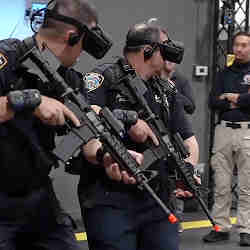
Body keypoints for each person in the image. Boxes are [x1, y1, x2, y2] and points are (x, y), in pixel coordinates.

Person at [0, 0, 144, 249]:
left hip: (37, 194)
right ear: (72, 36)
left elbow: (85, 134)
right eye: (84, 45)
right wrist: (27, 101)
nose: (81, 54)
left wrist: (106, 156)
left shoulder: (67, 80)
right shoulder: (7, 58)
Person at [78, 20, 199, 250]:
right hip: (111, 199)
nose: (170, 52)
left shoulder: (166, 89)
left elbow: (188, 138)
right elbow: (87, 125)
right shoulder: (103, 79)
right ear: (147, 51)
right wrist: (126, 121)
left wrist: (187, 170)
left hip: (158, 201)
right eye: (165, 47)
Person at [202, 31, 250, 246]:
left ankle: (246, 229)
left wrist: (235, 98)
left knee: (246, 186)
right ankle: (220, 227)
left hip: (246, 131)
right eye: (236, 45)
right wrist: (240, 101)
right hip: (223, 131)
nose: (239, 49)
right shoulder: (224, 74)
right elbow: (213, 102)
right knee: (221, 183)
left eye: (244, 45)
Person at [160, 60, 196, 233]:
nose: (169, 63)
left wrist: (172, 92)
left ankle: (177, 219)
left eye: (172, 60)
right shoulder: (151, 79)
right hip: (159, 133)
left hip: (177, 134)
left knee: (179, 174)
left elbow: (190, 105)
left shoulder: (180, 80)